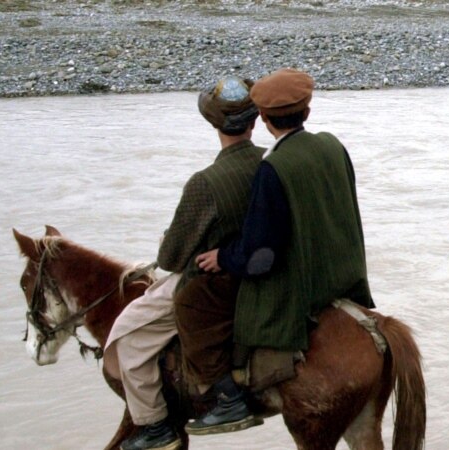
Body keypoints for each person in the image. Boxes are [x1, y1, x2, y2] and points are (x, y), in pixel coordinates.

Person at [177, 68, 375, 435]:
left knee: (190, 305)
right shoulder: (332, 144)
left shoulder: (273, 167)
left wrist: (223, 257)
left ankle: (228, 400)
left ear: (264, 120)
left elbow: (259, 257)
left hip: (300, 289)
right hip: (345, 278)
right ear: (308, 113)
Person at [103, 76, 265, 450]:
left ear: (213, 124)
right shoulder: (271, 163)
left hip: (211, 280)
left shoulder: (205, 183)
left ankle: (154, 426)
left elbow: (172, 257)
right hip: (260, 272)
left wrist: (168, 241)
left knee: (128, 333)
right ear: (254, 122)